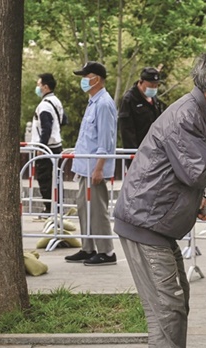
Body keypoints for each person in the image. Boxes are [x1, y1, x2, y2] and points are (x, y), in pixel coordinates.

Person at [113, 49, 206, 348]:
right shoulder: (188, 115)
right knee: (167, 312)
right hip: (146, 224)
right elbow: (199, 171)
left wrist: (196, 201)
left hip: (157, 223)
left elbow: (181, 172)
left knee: (176, 304)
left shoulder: (200, 113)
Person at [64, 61, 118, 266]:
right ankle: (88, 248)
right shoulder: (93, 102)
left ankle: (106, 251)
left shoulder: (104, 104)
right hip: (84, 167)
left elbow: (106, 140)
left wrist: (99, 167)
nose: (83, 81)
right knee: (83, 209)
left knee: (97, 210)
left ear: (96, 78)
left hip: (94, 168)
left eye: (86, 77)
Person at [31, 73, 65, 219]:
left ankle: (49, 208)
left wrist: (40, 147)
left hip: (47, 147)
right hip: (57, 145)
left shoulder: (44, 105)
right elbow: (64, 120)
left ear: (45, 87)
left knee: (45, 179)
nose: (37, 88)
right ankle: (57, 207)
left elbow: (46, 128)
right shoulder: (56, 101)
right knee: (56, 178)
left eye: (39, 85)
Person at [118, 67, 167, 168]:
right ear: (141, 82)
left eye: (156, 85)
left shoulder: (154, 99)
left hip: (155, 153)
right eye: (151, 85)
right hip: (138, 153)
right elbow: (127, 132)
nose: (154, 88)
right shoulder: (129, 100)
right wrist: (133, 158)